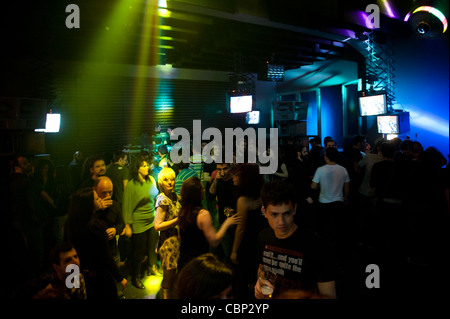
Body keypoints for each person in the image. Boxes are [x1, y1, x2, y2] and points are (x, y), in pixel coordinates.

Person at [254, 180, 337, 299]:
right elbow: (262, 268)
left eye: (286, 214)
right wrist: (260, 282)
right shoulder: (263, 237)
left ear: (294, 209)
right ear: (264, 212)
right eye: (274, 214)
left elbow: (329, 296)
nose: (281, 222)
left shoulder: (316, 245)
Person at [64, 187, 127, 299]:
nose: (101, 200)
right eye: (97, 198)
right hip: (99, 277)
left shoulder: (70, 223)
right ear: (89, 205)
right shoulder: (96, 226)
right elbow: (106, 256)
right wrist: (120, 278)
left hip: (77, 273)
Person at [178, 177, 240, 270]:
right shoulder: (203, 214)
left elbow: (180, 238)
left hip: (184, 262)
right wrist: (226, 223)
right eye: (201, 188)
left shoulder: (182, 212)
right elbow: (214, 242)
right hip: (198, 263)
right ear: (196, 194)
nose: (204, 190)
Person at [122, 156, 160, 289]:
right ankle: (136, 277)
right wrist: (127, 224)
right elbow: (127, 205)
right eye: (143, 165)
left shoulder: (151, 179)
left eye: (147, 165)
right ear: (137, 168)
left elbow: (155, 197)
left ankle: (152, 267)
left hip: (152, 219)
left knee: (152, 246)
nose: (147, 167)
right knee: (138, 251)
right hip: (139, 222)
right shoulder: (132, 185)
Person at [230, 163, 266, 299]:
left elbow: (240, 228)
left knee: (241, 278)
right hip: (258, 240)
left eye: (237, 174)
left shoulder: (243, 200)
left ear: (246, 178)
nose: (233, 176)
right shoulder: (261, 195)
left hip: (246, 244)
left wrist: (234, 251)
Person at [311, 147, 350, 251]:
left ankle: (323, 248)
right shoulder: (343, 169)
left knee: (322, 227)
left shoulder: (320, 170)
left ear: (326, 157)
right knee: (338, 227)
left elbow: (313, 186)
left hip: (323, 202)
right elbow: (347, 187)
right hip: (338, 201)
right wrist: (345, 198)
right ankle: (339, 248)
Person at [154, 167, 181, 299]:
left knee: (173, 276)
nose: (170, 182)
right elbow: (157, 226)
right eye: (166, 180)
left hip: (176, 241)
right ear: (160, 183)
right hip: (168, 243)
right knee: (168, 278)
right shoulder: (162, 199)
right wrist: (177, 220)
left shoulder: (174, 196)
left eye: (172, 179)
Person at [208, 162, 237, 263]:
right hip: (221, 217)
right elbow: (210, 195)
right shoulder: (218, 180)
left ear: (230, 167)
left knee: (230, 249)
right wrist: (216, 179)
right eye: (219, 170)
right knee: (220, 246)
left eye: (224, 169)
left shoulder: (235, 180)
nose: (222, 172)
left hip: (234, 219)